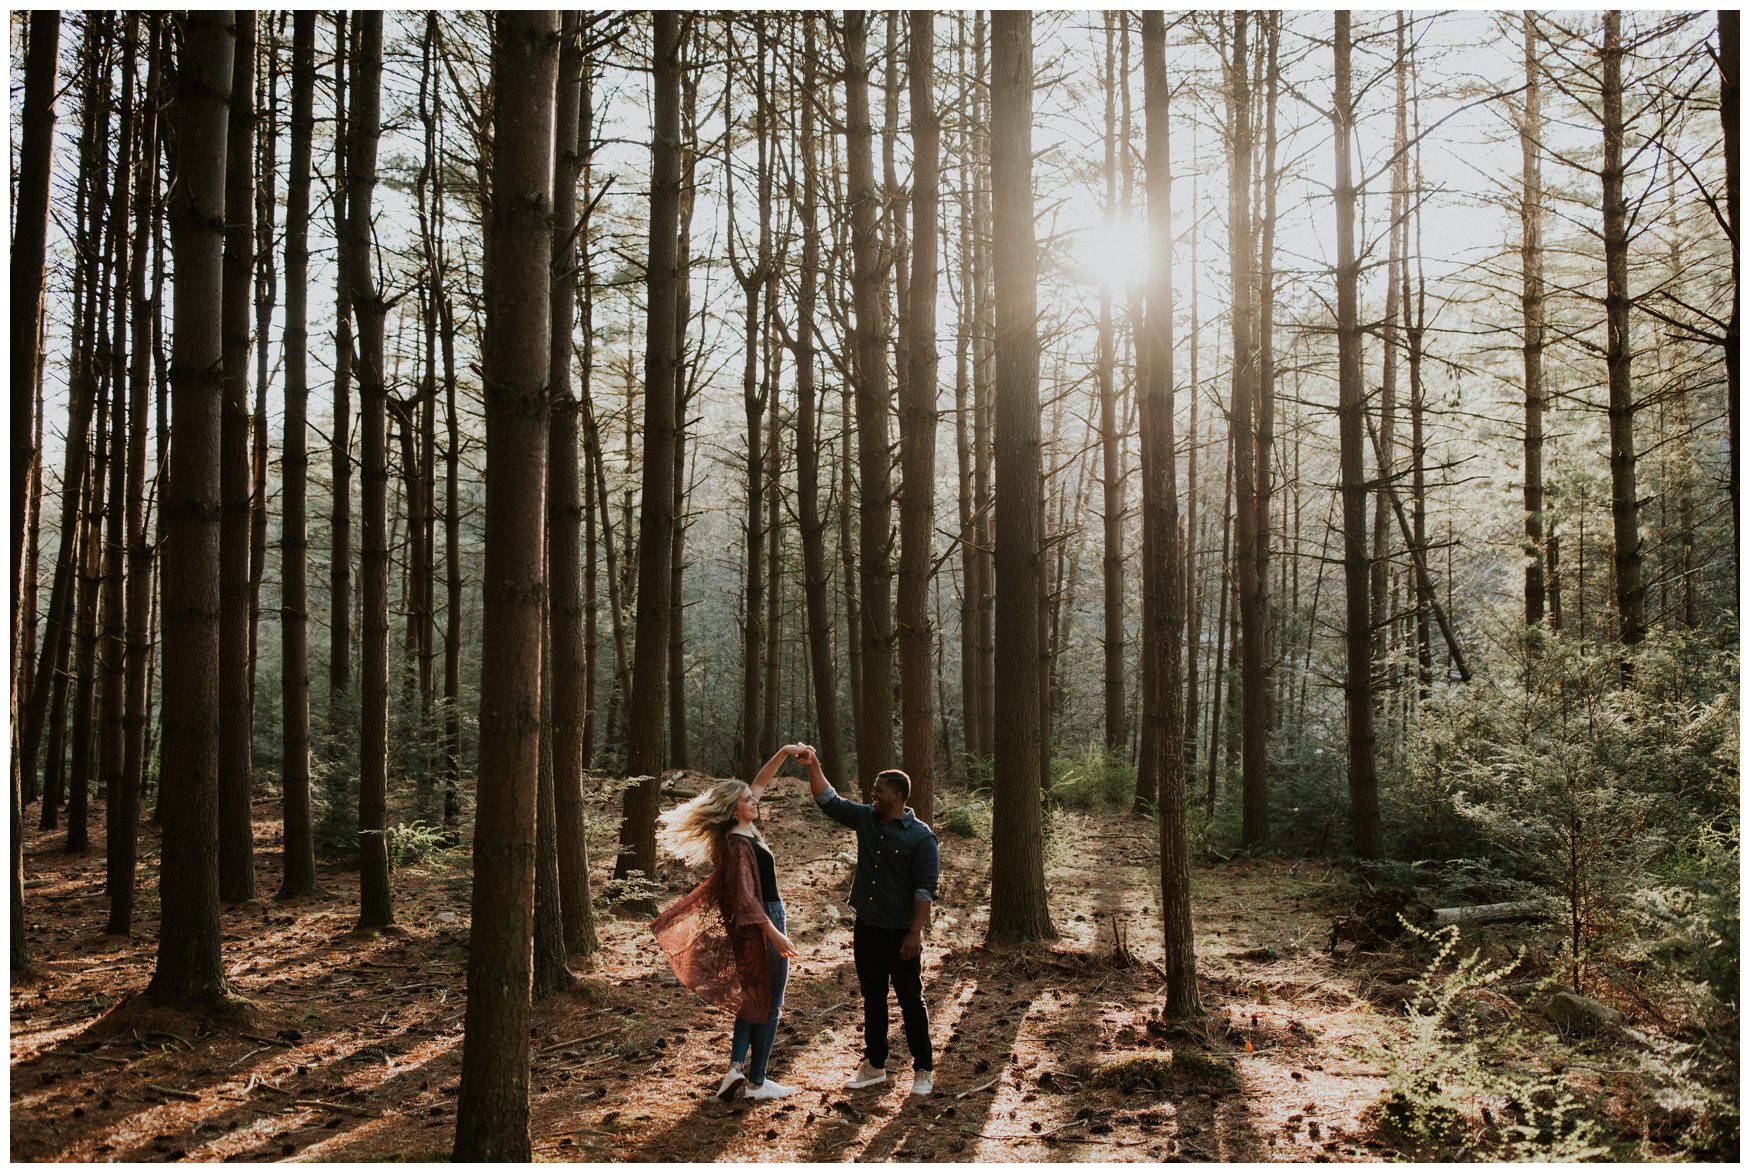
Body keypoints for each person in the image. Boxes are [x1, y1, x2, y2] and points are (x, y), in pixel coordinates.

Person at [651, 747, 807, 1102]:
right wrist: (774, 932)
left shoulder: (741, 831)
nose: (756, 801)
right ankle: (757, 1083)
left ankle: (736, 1070)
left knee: (753, 997)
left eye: (753, 798)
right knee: (771, 1002)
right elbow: (749, 898)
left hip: (757, 922)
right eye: (748, 800)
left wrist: (783, 752)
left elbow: (761, 782)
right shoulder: (739, 844)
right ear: (735, 806)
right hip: (764, 920)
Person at [795, 747, 939, 1096]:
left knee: (910, 999)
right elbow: (828, 800)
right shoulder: (866, 819)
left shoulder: (922, 837)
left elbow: (924, 890)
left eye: (879, 789)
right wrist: (814, 764)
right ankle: (875, 1065)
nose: (872, 793)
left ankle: (923, 1068)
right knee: (873, 998)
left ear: (898, 796)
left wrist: (915, 933)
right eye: (872, 789)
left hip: (902, 934)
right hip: (867, 929)